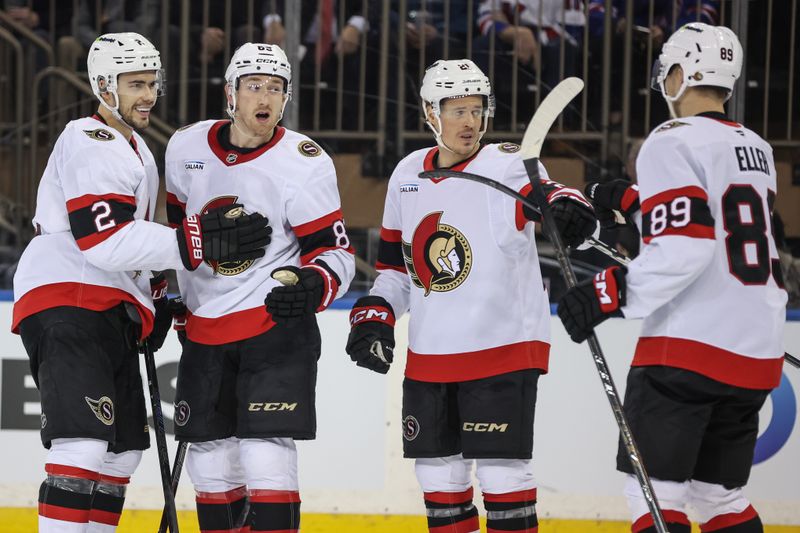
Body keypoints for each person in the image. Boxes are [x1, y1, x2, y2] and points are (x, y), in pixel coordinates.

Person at [11, 32, 270, 533]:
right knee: (83, 445)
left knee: (120, 454)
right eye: (134, 84)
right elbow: (103, 241)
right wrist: (195, 240)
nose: (148, 94)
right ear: (103, 86)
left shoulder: (140, 152)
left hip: (110, 309)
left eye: (152, 83)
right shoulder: (87, 139)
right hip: (69, 302)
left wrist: (154, 299)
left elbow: (132, 249)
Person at [346, 59, 597, 533]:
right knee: (437, 476)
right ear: (429, 112)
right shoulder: (405, 174)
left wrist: (568, 206)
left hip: (500, 350)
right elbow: (396, 270)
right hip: (430, 355)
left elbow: (548, 191)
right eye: (456, 109)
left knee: (503, 476)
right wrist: (376, 312)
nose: (469, 121)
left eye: (477, 109)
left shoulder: (506, 161)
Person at [558, 23, 787, 533]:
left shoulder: (671, 139)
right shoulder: (759, 148)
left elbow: (686, 247)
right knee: (719, 497)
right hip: (755, 350)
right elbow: (717, 229)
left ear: (682, 74)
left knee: (655, 496)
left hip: (688, 349)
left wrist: (608, 291)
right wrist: (635, 206)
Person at [165, 43, 355, 532]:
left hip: (274, 326)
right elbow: (168, 237)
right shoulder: (184, 148)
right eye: (254, 86)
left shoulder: (304, 161)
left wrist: (315, 284)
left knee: (266, 453)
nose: (264, 96)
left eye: (275, 87)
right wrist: (165, 300)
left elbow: (335, 253)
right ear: (230, 93)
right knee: (209, 464)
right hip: (204, 328)